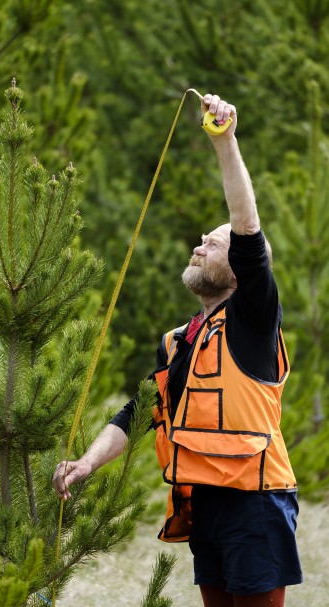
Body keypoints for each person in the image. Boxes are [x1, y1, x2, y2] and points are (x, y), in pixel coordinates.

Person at [52, 93, 303, 607]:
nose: (198, 246)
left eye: (212, 243)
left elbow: (248, 229)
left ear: (237, 270)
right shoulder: (180, 341)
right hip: (204, 503)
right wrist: (85, 464)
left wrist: (225, 141)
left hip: (256, 502)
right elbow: (136, 413)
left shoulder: (252, 319)